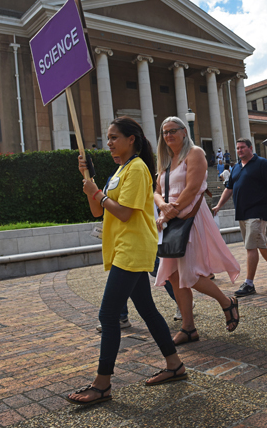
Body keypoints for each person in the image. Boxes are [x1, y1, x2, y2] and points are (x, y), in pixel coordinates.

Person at [68, 116, 185, 406]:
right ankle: (175, 365)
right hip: (123, 247)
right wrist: (90, 181)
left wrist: (97, 193)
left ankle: (102, 384)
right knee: (147, 309)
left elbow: (124, 213)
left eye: (113, 137)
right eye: (108, 138)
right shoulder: (119, 171)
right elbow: (98, 210)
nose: (108, 143)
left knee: (108, 315)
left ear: (131, 139)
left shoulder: (137, 168)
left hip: (132, 248)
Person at [154, 117, 241, 345]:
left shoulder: (195, 153)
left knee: (189, 273)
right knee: (173, 276)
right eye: (165, 132)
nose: (169, 135)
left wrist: (170, 211)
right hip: (169, 219)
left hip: (189, 216)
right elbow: (155, 190)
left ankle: (226, 302)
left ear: (184, 132)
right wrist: (163, 207)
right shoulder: (165, 159)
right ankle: (188, 328)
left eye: (173, 131)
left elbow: (193, 188)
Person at [213, 138, 267, 296]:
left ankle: (249, 283)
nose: (239, 150)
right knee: (261, 244)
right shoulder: (236, 167)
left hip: (257, 210)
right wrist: (219, 205)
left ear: (250, 148)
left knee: (251, 246)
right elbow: (229, 188)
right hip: (242, 212)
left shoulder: (262, 163)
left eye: (242, 147)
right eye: (237, 148)